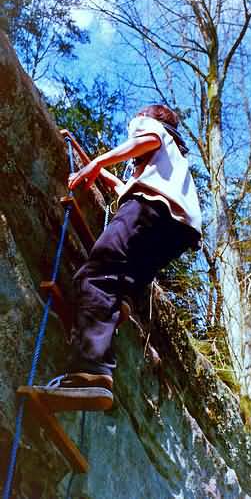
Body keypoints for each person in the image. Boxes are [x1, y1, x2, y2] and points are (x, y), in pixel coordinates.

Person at [37, 104, 202, 411]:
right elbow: (123, 186)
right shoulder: (171, 165)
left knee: (94, 278)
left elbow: (147, 139)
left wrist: (98, 161)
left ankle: (90, 373)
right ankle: (121, 303)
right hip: (177, 230)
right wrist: (94, 166)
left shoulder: (152, 129)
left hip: (150, 209)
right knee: (119, 283)